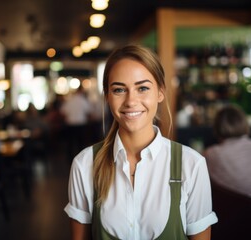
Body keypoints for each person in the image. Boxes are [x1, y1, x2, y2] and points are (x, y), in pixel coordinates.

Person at [64, 45, 218, 239]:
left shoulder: (191, 164)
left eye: (142, 88)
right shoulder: (85, 164)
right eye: (119, 89)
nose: (131, 101)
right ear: (107, 96)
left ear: (160, 92)